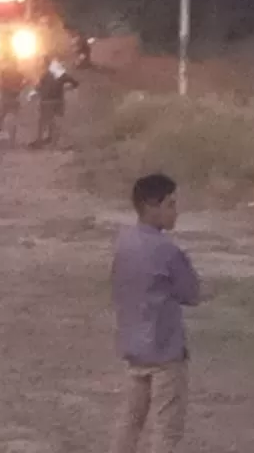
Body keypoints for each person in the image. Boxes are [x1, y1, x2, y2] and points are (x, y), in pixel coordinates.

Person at [110, 173, 200, 453]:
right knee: (166, 428)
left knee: (130, 421)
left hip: (133, 346)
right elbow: (191, 293)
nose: (176, 211)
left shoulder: (124, 242)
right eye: (170, 204)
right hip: (165, 351)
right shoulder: (167, 250)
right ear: (151, 205)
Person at [32, 55, 79, 148]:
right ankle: (53, 140)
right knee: (55, 121)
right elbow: (75, 82)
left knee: (43, 121)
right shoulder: (60, 73)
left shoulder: (45, 74)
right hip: (58, 101)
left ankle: (40, 141)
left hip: (47, 101)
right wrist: (68, 88)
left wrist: (36, 92)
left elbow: (38, 88)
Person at [0, 53, 26, 143]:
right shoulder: (20, 74)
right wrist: (19, 89)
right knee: (14, 119)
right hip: (15, 98)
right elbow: (23, 85)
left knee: (0, 118)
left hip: (5, 97)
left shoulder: (4, 72)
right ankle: (12, 139)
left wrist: (2, 89)